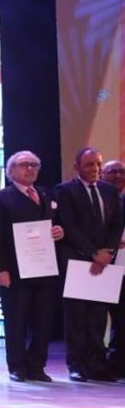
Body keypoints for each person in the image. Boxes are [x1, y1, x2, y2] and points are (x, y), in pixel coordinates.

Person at [0, 150, 65, 382]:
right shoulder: (0, 198)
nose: (30, 169)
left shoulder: (46, 194)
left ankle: (37, 366)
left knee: (43, 321)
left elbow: (57, 224)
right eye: (24, 165)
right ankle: (17, 366)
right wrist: (0, 269)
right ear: (11, 171)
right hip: (15, 271)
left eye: (34, 165)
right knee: (17, 321)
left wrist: (60, 231)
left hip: (45, 269)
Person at [54, 147, 123, 382]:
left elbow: (116, 225)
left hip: (105, 262)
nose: (95, 169)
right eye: (90, 164)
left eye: (98, 164)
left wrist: (108, 252)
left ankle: (97, 365)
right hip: (78, 261)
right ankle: (77, 365)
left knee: (98, 315)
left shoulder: (109, 191)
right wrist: (94, 252)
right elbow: (69, 226)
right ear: (77, 167)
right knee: (76, 317)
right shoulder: (65, 191)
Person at [102, 159, 125, 381]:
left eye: (121, 172)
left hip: (123, 266)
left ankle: (119, 363)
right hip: (100, 265)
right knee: (98, 318)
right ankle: (100, 363)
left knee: (122, 318)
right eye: (112, 171)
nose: (118, 175)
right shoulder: (100, 198)